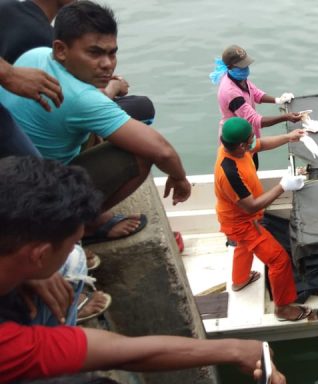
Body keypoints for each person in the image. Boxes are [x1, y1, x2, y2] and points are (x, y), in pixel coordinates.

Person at [0, 156, 286, 383]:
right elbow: (117, 354)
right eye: (75, 241)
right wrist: (234, 350)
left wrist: (30, 273)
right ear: (37, 255)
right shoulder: (8, 346)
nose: (79, 247)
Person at [0, 1, 192, 245]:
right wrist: (179, 179)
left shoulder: (35, 56)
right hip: (37, 199)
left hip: (13, 174)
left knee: (109, 128)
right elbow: (162, 150)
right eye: (95, 53)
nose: (107, 63)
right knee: (140, 155)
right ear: (60, 50)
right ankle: (82, 225)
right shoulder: (83, 98)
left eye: (112, 53)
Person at [214, 117, 311, 321]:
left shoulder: (234, 148)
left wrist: (288, 137)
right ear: (241, 145)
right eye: (251, 138)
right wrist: (283, 186)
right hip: (242, 222)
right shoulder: (229, 173)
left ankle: (240, 280)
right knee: (279, 260)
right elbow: (251, 206)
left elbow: (261, 144)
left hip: (233, 216)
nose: (254, 140)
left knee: (243, 246)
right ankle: (282, 308)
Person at [0, 0, 155, 125]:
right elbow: (82, 99)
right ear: (59, 50)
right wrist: (115, 85)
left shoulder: (5, 7)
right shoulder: (46, 41)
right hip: (36, 124)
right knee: (141, 107)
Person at [211, 44, 302, 167]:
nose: (246, 69)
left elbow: (255, 93)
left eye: (246, 65)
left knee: (254, 164)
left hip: (248, 138)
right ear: (230, 67)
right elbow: (255, 120)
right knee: (245, 170)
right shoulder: (230, 92)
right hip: (236, 141)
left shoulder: (239, 78)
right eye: (242, 66)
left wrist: (278, 100)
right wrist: (286, 117)